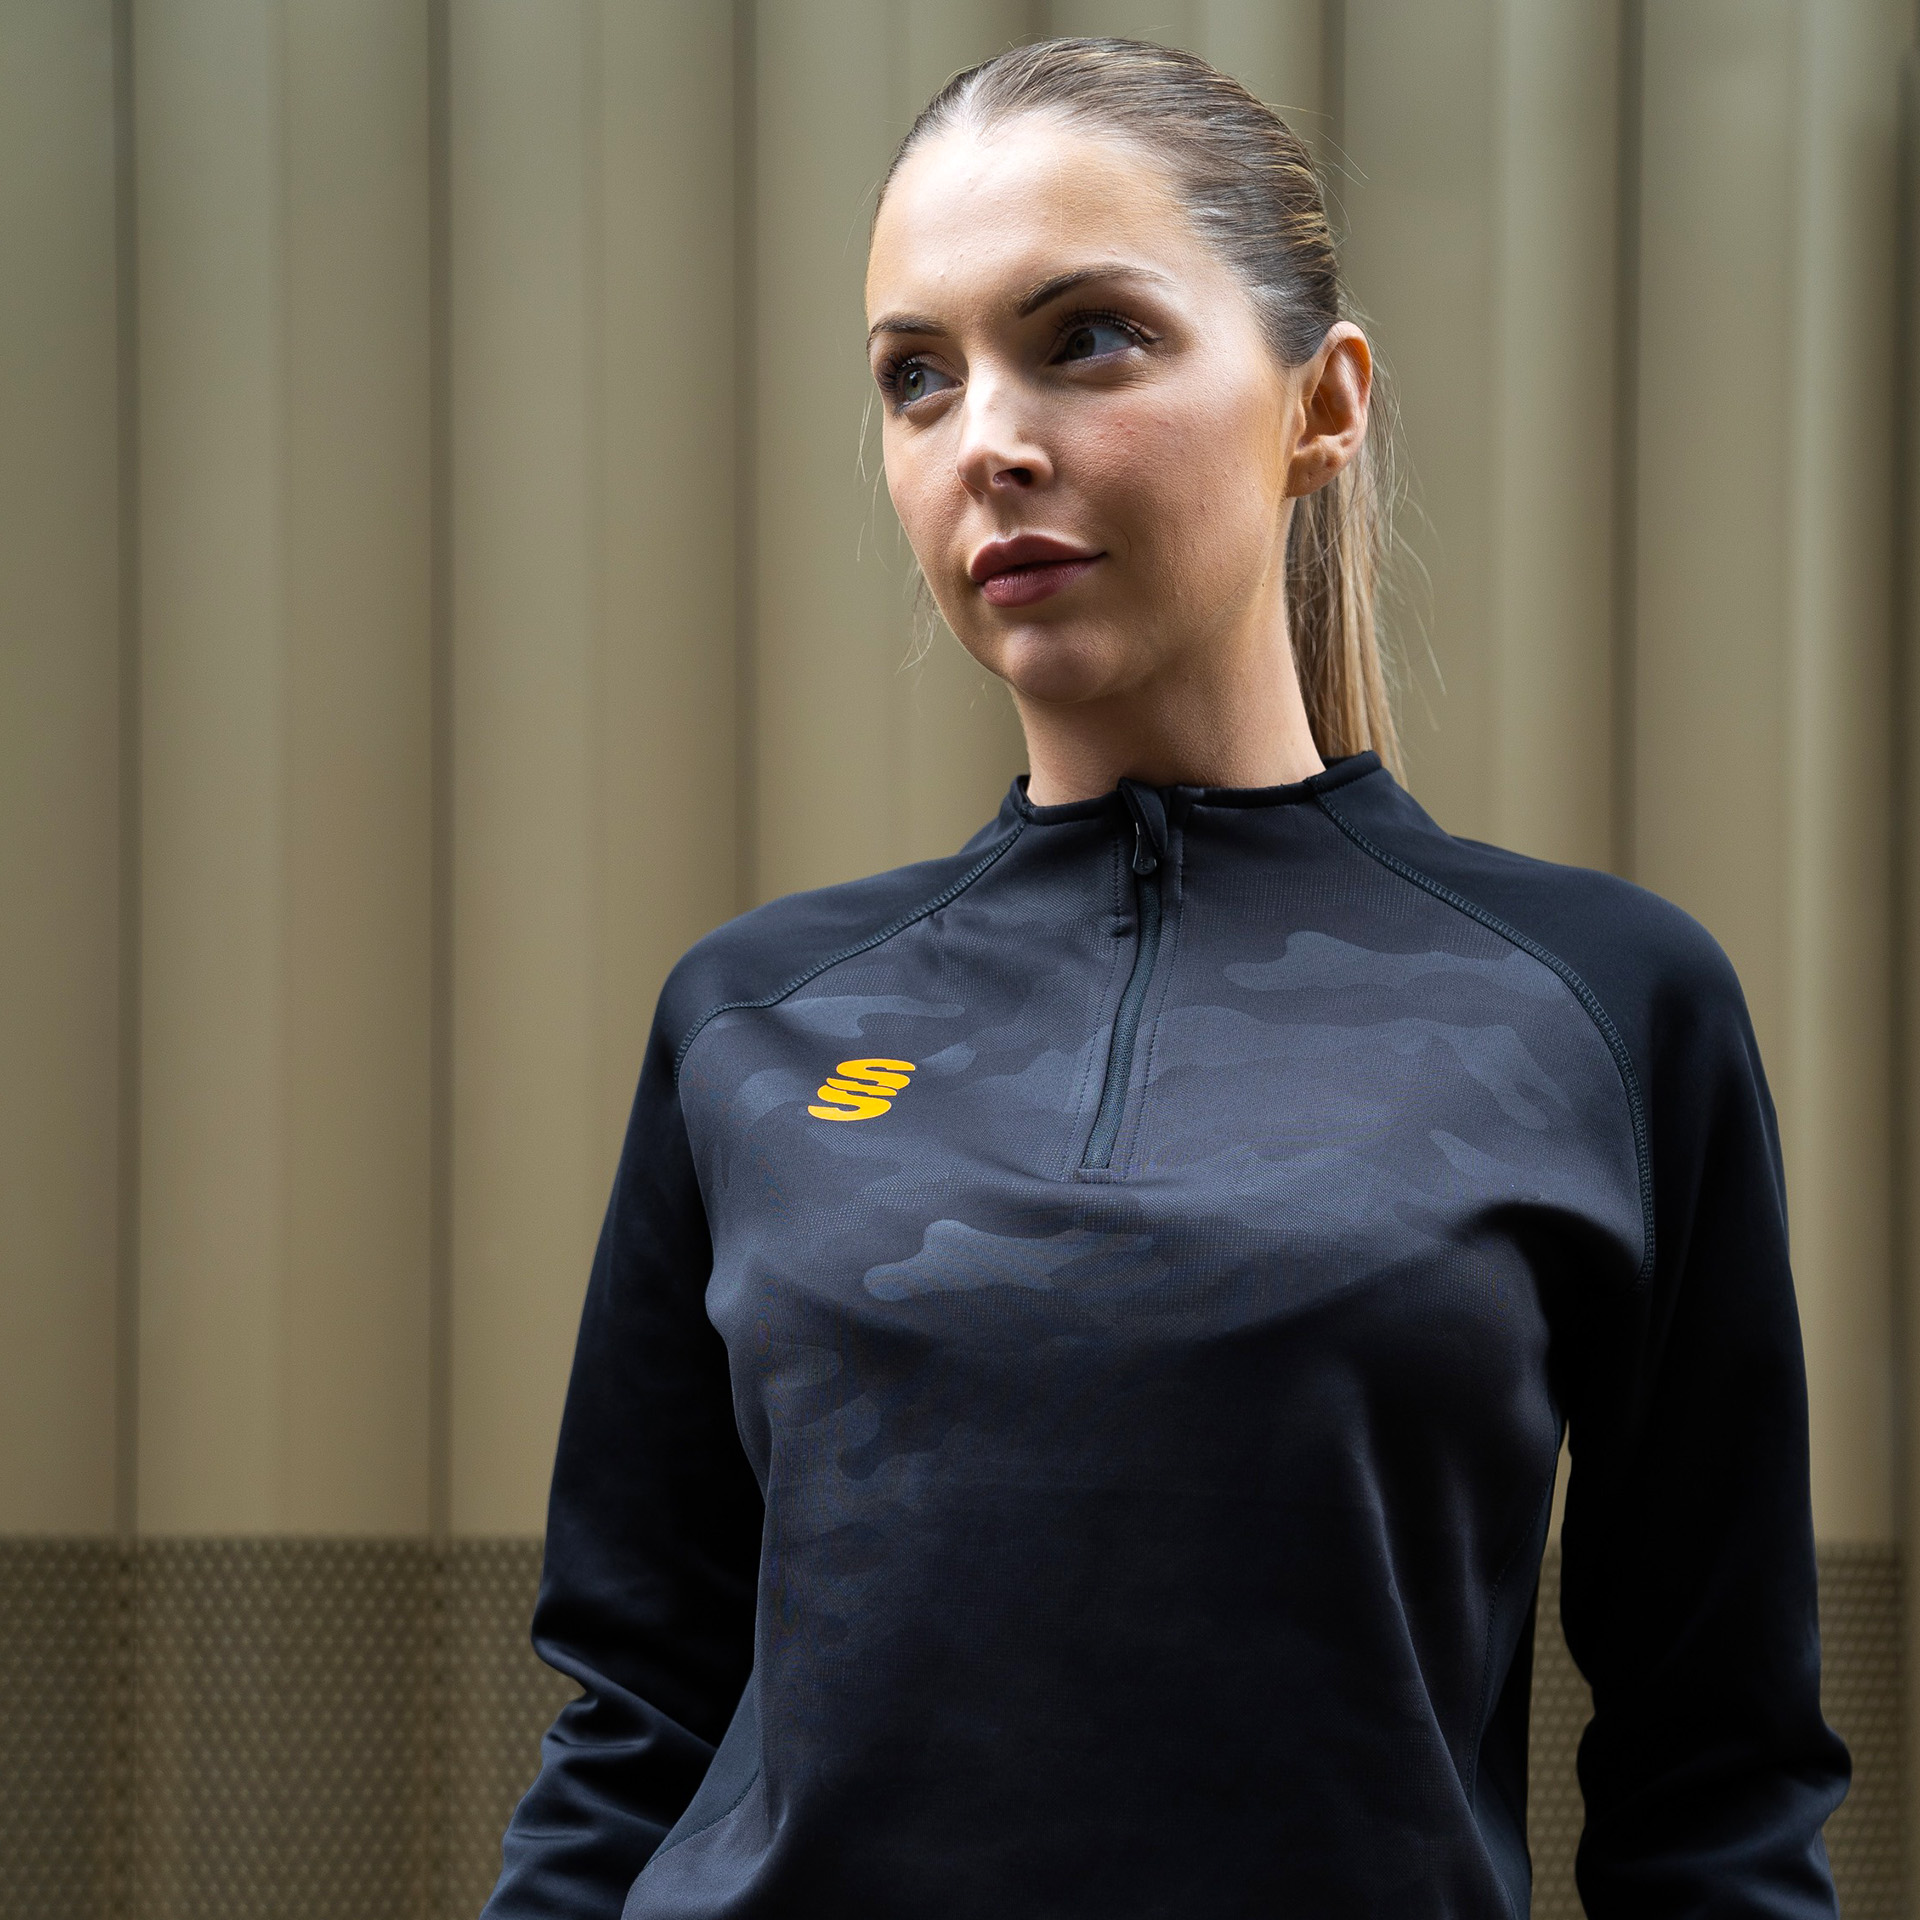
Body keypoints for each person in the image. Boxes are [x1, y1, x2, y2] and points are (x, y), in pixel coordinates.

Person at [481, 37, 1848, 1918]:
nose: (987, 439)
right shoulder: (754, 1019)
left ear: (1322, 403)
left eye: (1089, 339)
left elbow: (1718, 1780)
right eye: (915, 377)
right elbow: (637, 1717)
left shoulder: (1606, 1008)